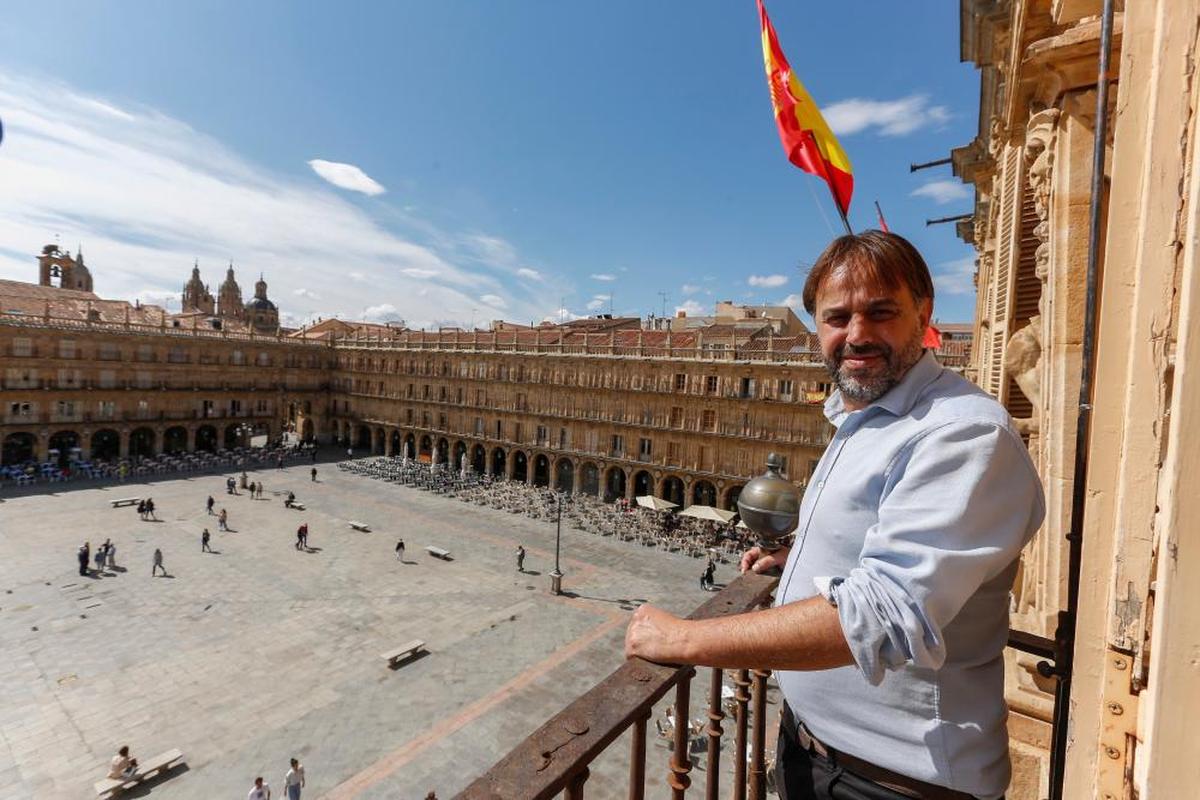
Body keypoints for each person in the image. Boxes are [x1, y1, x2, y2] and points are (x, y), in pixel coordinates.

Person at [623, 231, 1045, 800]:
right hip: (819, 749)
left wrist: (687, 640)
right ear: (818, 327)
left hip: (894, 781)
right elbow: (879, 536)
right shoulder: (868, 415)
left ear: (924, 314)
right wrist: (799, 556)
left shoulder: (962, 432)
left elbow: (884, 615)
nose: (857, 334)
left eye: (880, 312)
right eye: (838, 317)